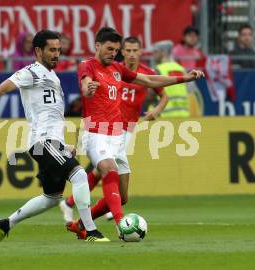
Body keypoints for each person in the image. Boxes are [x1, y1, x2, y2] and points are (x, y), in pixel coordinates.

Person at [0, 29, 109, 242]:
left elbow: (51, 115)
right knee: (79, 175)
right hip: (42, 141)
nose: (56, 54)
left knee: (52, 198)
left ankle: (6, 224)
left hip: (52, 141)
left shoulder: (53, 76)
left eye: (59, 50)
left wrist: (63, 145)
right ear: (38, 51)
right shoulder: (30, 72)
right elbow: (2, 88)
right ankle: (89, 230)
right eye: (51, 50)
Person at [63, 27, 203, 239]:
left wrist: (184, 79)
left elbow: (149, 81)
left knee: (122, 195)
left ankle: (82, 224)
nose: (113, 53)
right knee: (108, 169)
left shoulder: (118, 68)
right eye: (110, 49)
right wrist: (87, 89)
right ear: (97, 46)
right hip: (95, 132)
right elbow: (84, 84)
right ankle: (122, 225)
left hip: (117, 136)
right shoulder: (87, 65)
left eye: (115, 50)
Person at [59, 36, 168, 224]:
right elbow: (88, 85)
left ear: (141, 52)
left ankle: (73, 204)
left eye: (136, 50)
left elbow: (163, 95)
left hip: (128, 128)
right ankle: (104, 209)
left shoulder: (144, 72)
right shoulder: (113, 70)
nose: (132, 54)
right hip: (105, 127)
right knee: (106, 170)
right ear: (122, 52)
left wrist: (156, 110)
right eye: (128, 50)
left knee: (101, 170)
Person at [153, 40, 192, 118]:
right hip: (183, 115)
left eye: (156, 52)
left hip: (165, 115)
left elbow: (150, 95)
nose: (154, 55)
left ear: (163, 52)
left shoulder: (158, 70)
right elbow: (190, 91)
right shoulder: (182, 69)